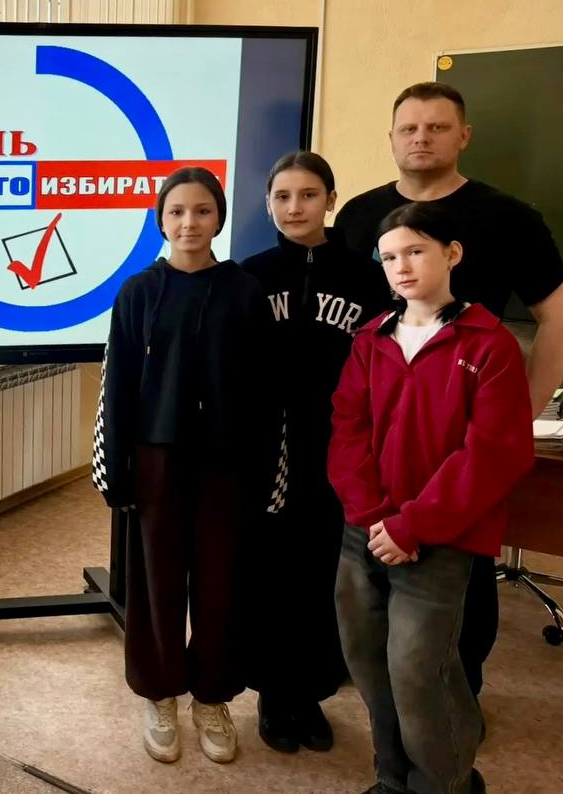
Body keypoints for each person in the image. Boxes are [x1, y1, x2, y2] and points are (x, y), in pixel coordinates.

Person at [333, 81, 563, 701]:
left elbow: (560, 312)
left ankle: (454, 710)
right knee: (369, 580)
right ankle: (388, 698)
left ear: (463, 136)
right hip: (375, 429)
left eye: (437, 127)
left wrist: (520, 411)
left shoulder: (509, 217)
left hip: (459, 433)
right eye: (408, 128)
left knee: (460, 581)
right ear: (391, 139)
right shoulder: (358, 216)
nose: (421, 138)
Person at [330, 201, 533, 794]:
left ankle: (444, 784)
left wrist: (411, 525)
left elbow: (494, 454)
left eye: (415, 251)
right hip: (366, 531)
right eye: (389, 257)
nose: (401, 266)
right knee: (368, 661)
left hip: (438, 538)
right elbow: (347, 429)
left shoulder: (489, 344)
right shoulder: (371, 339)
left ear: (452, 254)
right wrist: (374, 517)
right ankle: (393, 779)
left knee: (418, 668)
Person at [93, 167, 274, 765]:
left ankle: (212, 697)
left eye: (201, 211)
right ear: (160, 219)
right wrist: (116, 468)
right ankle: (160, 693)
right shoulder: (138, 292)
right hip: (156, 459)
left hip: (226, 462)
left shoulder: (245, 292)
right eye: (176, 212)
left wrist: (266, 471)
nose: (188, 223)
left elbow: (265, 392)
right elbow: (117, 385)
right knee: (156, 581)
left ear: (218, 217)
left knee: (222, 583)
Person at [240, 151, 389, 754]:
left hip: (340, 448)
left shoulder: (366, 279)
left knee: (329, 574)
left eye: (308, 195)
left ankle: (312, 694)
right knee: (270, 573)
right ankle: (274, 695)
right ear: (268, 204)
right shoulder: (250, 275)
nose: (294, 207)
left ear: (331, 200)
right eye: (282, 196)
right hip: (269, 449)